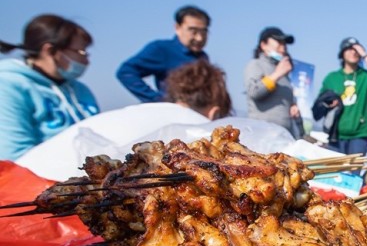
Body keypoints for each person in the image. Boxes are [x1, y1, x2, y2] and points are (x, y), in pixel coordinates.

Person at [16, 59, 232, 181]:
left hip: (14, 177)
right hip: (46, 190)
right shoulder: (195, 129)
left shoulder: (141, 111)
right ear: (213, 114)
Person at [0, 14, 100, 161]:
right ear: (50, 51)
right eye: (81, 52)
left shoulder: (81, 90)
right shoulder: (9, 86)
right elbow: (14, 156)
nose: (86, 60)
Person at [116, 5, 211, 102]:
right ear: (177, 28)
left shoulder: (203, 57)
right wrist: (158, 100)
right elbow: (125, 72)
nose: (199, 38)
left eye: (203, 32)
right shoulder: (162, 49)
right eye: (193, 31)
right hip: (175, 114)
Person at [317, 37, 367, 154]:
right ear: (342, 54)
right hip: (336, 135)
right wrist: (328, 103)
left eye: (356, 50)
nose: (353, 52)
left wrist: (365, 54)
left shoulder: (365, 77)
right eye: (349, 49)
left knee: (354, 172)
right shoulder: (332, 78)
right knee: (336, 172)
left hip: (359, 135)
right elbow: (319, 102)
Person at [243, 27, 301, 135]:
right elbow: (254, 92)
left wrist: (293, 106)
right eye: (279, 41)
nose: (283, 46)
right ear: (263, 45)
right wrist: (277, 74)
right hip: (261, 134)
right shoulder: (256, 64)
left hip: (283, 134)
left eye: (284, 43)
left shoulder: (284, 73)